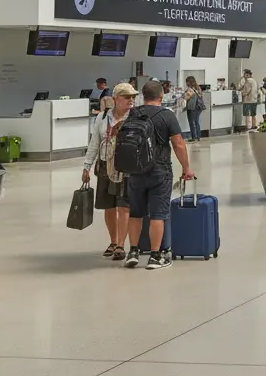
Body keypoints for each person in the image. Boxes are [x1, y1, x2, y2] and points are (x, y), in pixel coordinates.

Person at [123, 80, 194, 269]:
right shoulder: (166, 115)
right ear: (161, 96)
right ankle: (155, 256)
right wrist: (186, 168)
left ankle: (134, 251)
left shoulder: (133, 114)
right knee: (158, 214)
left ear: (142, 97)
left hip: (135, 172)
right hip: (159, 171)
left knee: (136, 213)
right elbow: (178, 144)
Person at [82, 82, 135, 259]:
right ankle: (113, 241)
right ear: (115, 99)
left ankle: (121, 244)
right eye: (127, 96)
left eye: (133, 96)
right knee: (109, 206)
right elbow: (94, 143)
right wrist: (86, 166)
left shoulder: (134, 117)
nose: (131, 100)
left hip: (126, 167)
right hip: (105, 165)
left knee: (123, 206)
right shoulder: (103, 117)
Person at [182, 75, 203, 143]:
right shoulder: (198, 88)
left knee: (192, 122)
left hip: (192, 107)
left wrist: (183, 97)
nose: (186, 83)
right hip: (198, 107)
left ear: (189, 82)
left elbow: (186, 97)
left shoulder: (190, 89)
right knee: (196, 122)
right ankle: (198, 137)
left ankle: (194, 137)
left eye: (187, 82)